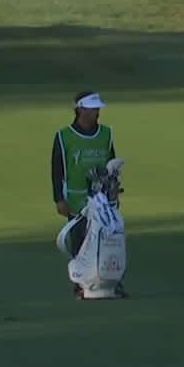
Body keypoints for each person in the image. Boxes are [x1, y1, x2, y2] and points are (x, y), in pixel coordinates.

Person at [51, 90, 125, 296]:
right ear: (81, 109)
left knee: (108, 241)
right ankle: (82, 284)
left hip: (102, 198)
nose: (97, 112)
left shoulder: (106, 134)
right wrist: (58, 198)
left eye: (97, 108)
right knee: (80, 242)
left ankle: (111, 282)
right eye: (93, 109)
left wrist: (113, 191)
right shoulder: (64, 136)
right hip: (76, 198)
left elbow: (111, 164)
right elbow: (57, 169)